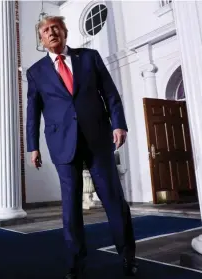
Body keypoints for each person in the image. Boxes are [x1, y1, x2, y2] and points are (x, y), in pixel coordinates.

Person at [26, 16, 137, 279]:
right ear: (41, 40)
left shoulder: (90, 57)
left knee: (113, 199)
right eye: (45, 30)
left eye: (56, 28)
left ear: (64, 32)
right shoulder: (36, 72)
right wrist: (33, 146)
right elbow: (33, 112)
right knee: (71, 205)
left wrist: (118, 125)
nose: (51, 32)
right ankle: (76, 261)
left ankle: (128, 256)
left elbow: (110, 93)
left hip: (98, 138)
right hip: (62, 142)